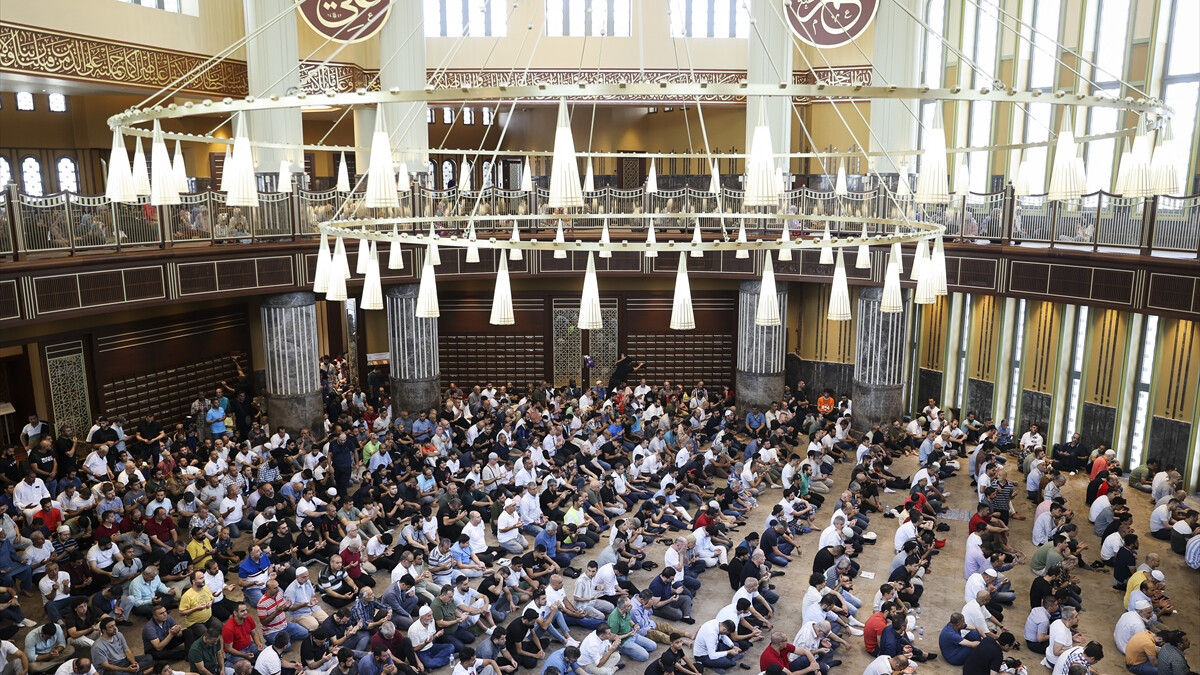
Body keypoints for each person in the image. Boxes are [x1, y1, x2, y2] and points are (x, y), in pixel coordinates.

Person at [405, 606, 455, 670]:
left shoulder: (431, 621)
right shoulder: (413, 630)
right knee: (429, 663)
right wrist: (425, 644)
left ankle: (434, 663)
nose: (432, 617)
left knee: (451, 647)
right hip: (421, 652)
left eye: (432, 615)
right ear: (422, 618)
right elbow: (414, 649)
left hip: (431, 647)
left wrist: (436, 635)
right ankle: (448, 659)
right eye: (429, 616)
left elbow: (430, 638)